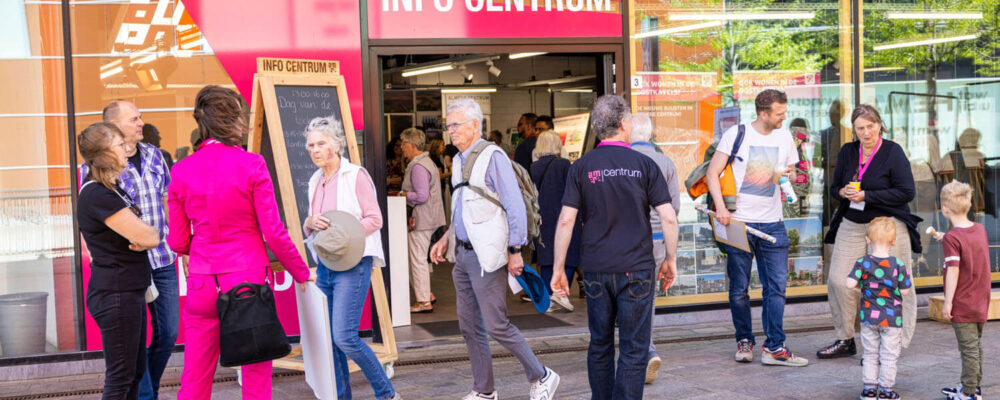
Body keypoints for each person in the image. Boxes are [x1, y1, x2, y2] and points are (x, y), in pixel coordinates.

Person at [168, 86, 314, 400]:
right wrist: (302, 272)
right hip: (246, 280)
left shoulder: (180, 171)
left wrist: (204, 242)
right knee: (255, 378)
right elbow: (273, 232)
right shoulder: (252, 164)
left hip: (203, 282)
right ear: (234, 122)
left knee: (194, 379)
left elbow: (178, 241)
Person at [430, 98, 559, 400]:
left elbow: (514, 206)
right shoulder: (459, 159)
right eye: (448, 125)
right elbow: (464, 206)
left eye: (456, 124)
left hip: (487, 255)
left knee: (496, 324)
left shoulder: (493, 156)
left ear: (475, 125)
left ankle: (541, 375)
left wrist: (515, 250)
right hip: (462, 254)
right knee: (469, 326)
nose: (450, 130)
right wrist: (447, 236)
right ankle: (484, 390)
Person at [551, 95, 679, 399]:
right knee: (634, 348)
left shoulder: (581, 166)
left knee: (600, 344)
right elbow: (669, 218)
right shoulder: (644, 164)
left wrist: (558, 268)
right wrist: (670, 259)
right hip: (637, 268)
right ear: (624, 123)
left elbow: (566, 221)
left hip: (595, 270)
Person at [79, 100, 178, 400]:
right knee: (122, 377)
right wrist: (144, 235)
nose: (140, 123)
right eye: (119, 144)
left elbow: (161, 214)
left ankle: (149, 392)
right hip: (118, 289)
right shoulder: (97, 190)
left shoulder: (123, 181)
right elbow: (146, 235)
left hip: (147, 273)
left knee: (147, 356)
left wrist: (151, 236)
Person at [706, 89, 808, 367]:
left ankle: (774, 346)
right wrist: (722, 209)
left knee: (776, 287)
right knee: (739, 288)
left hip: (773, 223)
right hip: (739, 222)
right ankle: (744, 340)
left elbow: (795, 174)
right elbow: (712, 173)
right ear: (763, 113)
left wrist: (789, 176)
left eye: (784, 112)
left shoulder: (785, 136)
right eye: (779, 113)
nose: (783, 118)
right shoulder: (737, 135)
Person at [301, 116, 400, 400]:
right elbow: (313, 223)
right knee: (332, 341)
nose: (315, 150)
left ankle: (387, 393)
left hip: (354, 264)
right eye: (310, 145)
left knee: (344, 336)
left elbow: (375, 218)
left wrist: (346, 234)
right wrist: (310, 221)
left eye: (321, 144)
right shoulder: (315, 180)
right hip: (326, 265)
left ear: (337, 145)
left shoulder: (355, 175)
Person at [819, 104, 921, 359]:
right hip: (853, 221)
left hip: (887, 223)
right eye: (860, 128)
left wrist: (868, 195)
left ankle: (896, 339)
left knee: (893, 282)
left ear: (879, 124)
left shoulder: (892, 152)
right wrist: (843, 192)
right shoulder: (847, 152)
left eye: (870, 126)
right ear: (853, 130)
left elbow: (906, 191)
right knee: (840, 281)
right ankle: (846, 338)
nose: (866, 133)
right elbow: (835, 188)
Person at [628, 112, 680, 385]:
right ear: (649, 135)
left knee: (626, 296)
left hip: (627, 240)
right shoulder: (665, 162)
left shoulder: (622, 162)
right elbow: (674, 209)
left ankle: (640, 351)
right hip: (659, 239)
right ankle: (645, 349)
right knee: (647, 298)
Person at [844, 217, 912, 400]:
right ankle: (886, 390)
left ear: (867, 240)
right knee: (889, 356)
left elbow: (849, 284)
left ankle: (869, 389)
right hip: (892, 319)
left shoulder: (863, 262)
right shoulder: (898, 265)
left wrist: (863, 286)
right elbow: (905, 291)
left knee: (870, 354)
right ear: (893, 242)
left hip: (869, 318)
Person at [936, 181, 991, 400]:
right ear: (968, 205)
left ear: (945, 209)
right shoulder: (979, 229)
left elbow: (954, 270)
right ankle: (973, 386)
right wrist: (945, 238)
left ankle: (968, 393)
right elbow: (970, 252)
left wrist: (948, 302)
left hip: (964, 301)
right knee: (975, 347)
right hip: (980, 298)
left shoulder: (952, 238)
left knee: (968, 349)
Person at [529, 130, 579, 312]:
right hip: (562, 215)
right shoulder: (564, 164)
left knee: (546, 257)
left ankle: (549, 297)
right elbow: (573, 191)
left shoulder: (533, 167)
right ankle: (561, 294)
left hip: (542, 219)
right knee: (570, 255)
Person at [398, 128, 446, 313]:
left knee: (417, 259)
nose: (402, 148)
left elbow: (422, 195)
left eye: (403, 144)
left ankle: (423, 301)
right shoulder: (426, 162)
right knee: (418, 259)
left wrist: (403, 194)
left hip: (422, 219)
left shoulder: (418, 166)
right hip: (429, 217)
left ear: (411, 145)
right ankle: (427, 295)